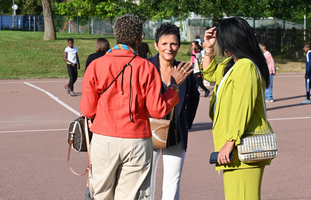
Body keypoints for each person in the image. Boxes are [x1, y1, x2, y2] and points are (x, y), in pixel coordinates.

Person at [80, 15, 192, 200]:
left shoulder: (95, 65)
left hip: (104, 138)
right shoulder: (147, 67)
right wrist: (173, 87)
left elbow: (88, 109)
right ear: (138, 39)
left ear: (115, 35)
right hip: (137, 140)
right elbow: (157, 110)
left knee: (100, 194)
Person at [201, 17, 273, 200]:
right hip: (236, 151)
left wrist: (230, 142)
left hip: (241, 149)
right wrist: (208, 49)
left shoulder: (246, 66)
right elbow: (210, 74)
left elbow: (243, 107)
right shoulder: (232, 63)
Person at [148, 23, 200, 200]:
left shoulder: (185, 70)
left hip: (176, 132)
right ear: (156, 45)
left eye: (173, 44)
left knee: (172, 183)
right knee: (146, 183)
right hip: (147, 132)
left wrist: (186, 123)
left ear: (178, 45)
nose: (169, 48)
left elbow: (194, 97)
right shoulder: (146, 68)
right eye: (164, 44)